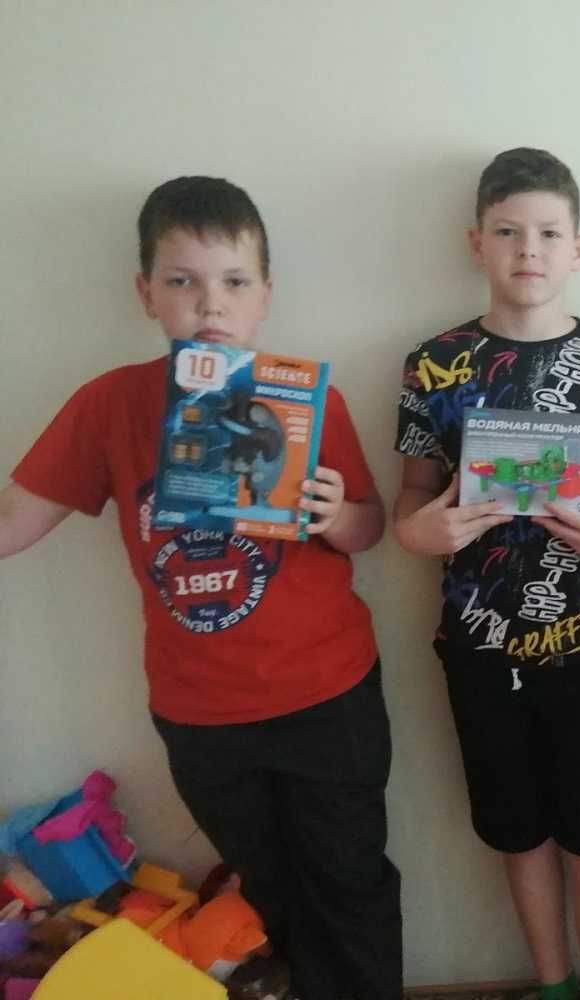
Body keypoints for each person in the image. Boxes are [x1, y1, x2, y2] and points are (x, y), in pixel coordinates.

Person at [0, 175, 401, 1000]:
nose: (209, 304)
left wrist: (335, 513)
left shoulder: (306, 398)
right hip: (201, 715)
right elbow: (15, 519)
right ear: (146, 293)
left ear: (265, 295)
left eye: (233, 281)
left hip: (326, 695)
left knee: (350, 880)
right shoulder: (110, 404)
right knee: (268, 885)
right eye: (181, 281)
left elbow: (368, 528)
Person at [392, 148, 580, 1000]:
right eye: (507, 232)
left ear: (578, 248)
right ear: (476, 243)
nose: (528, 249)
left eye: (548, 233)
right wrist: (420, 531)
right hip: (478, 650)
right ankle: (551, 985)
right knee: (517, 833)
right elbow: (410, 501)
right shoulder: (433, 362)